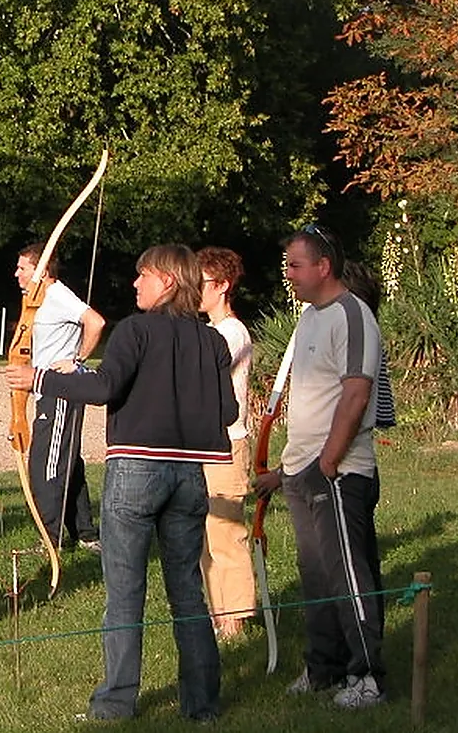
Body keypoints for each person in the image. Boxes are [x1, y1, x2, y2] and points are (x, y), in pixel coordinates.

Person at [6, 244, 234, 722]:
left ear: (167, 281)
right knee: (187, 591)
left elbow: (105, 387)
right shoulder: (212, 341)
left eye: (142, 275)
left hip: (136, 471)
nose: (135, 283)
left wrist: (38, 378)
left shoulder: (135, 330)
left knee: (126, 592)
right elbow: (228, 411)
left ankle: (114, 704)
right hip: (190, 475)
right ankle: (203, 705)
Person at [255, 226, 388, 710]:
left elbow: (356, 393)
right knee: (314, 576)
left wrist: (329, 461)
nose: (288, 274)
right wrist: (285, 471)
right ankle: (323, 668)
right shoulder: (310, 318)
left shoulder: (352, 315)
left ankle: (367, 676)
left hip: (340, 472)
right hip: (304, 472)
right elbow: (312, 401)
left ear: (323, 266)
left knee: (346, 574)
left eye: (295, 265)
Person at [14, 241, 106, 559]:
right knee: (68, 461)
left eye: (23, 268)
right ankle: (85, 533)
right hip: (47, 390)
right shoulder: (39, 299)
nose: (17, 273)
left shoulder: (57, 294)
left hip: (61, 391)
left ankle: (49, 540)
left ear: (41, 270)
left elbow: (96, 321)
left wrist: (77, 360)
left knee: (47, 465)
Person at [196, 246, 254, 640]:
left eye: (201, 283)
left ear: (222, 286)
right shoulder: (211, 331)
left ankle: (234, 620)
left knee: (226, 533)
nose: (194, 291)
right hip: (206, 444)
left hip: (228, 444)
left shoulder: (232, 333)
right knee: (206, 535)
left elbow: (203, 377)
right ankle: (219, 617)